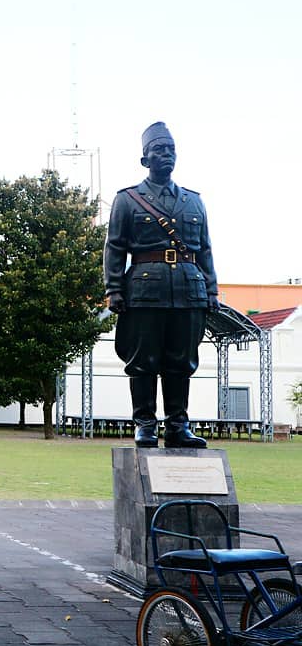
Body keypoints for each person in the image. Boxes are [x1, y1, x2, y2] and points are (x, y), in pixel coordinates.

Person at [104, 122, 219, 449]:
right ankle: (145, 424)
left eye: (171, 150)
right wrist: (114, 289)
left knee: (181, 361)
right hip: (144, 290)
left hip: (188, 289)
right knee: (143, 360)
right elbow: (114, 247)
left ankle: (178, 426)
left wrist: (211, 290)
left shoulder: (195, 202)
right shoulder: (127, 200)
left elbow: (205, 249)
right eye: (159, 150)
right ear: (145, 160)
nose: (166, 155)